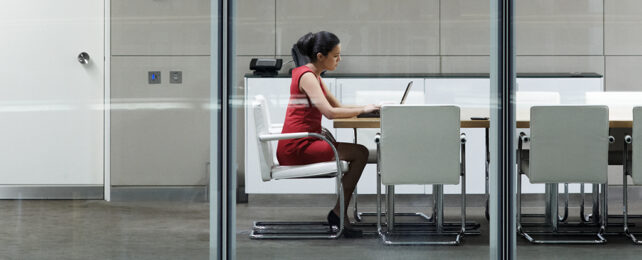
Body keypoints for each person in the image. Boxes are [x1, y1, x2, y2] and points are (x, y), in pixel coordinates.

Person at [276, 31, 379, 238]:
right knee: (360, 153)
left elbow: (338, 106)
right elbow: (331, 113)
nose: (339, 60)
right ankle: (338, 212)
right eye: (335, 55)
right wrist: (362, 110)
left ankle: (339, 212)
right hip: (297, 147)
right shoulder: (307, 77)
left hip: (306, 141)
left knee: (360, 152)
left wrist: (368, 108)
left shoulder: (313, 75)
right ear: (321, 56)